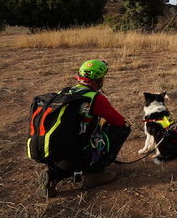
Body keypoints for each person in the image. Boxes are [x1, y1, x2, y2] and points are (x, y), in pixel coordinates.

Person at [38, 59, 130, 197]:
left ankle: (53, 174)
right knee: (124, 127)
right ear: (98, 80)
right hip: (80, 153)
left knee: (72, 145)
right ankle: (95, 174)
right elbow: (118, 121)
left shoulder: (63, 92)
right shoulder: (94, 98)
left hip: (54, 153)